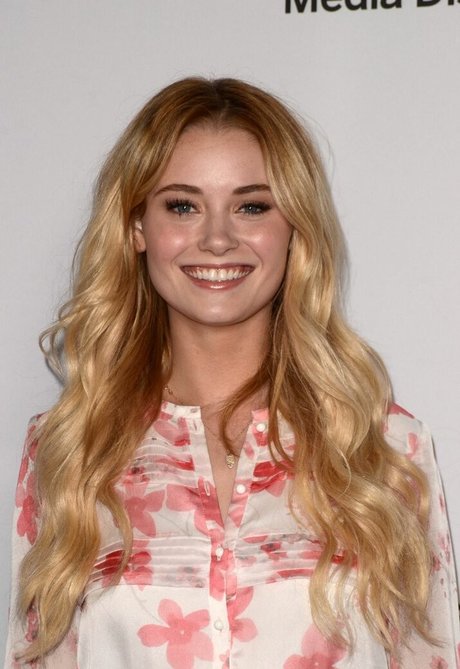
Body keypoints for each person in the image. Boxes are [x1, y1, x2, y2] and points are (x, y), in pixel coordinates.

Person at [4, 77, 459, 669]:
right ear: (137, 227)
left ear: (294, 228)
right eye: (182, 206)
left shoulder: (384, 450)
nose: (217, 239)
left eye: (251, 206)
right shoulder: (69, 451)